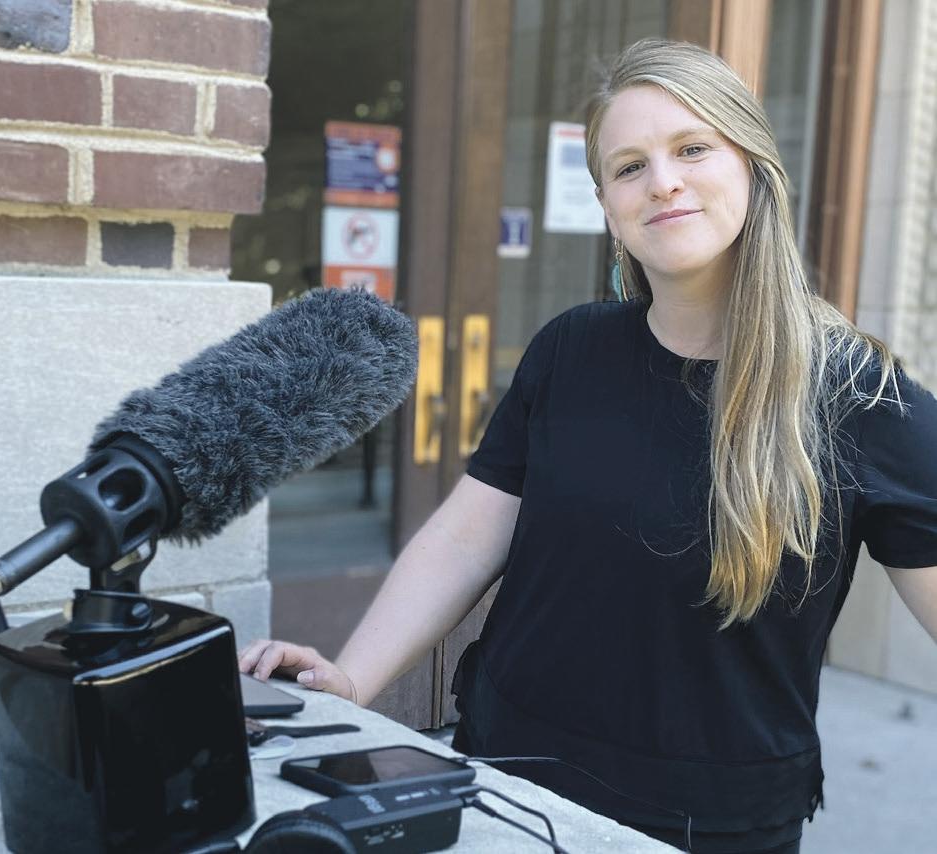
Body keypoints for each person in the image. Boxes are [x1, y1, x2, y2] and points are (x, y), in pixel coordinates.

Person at [239, 38, 937, 854]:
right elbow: (465, 538)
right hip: (504, 783)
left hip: (703, 828)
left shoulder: (861, 397)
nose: (662, 182)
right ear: (608, 206)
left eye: (692, 149)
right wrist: (352, 679)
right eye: (629, 167)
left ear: (752, 166)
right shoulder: (570, 350)